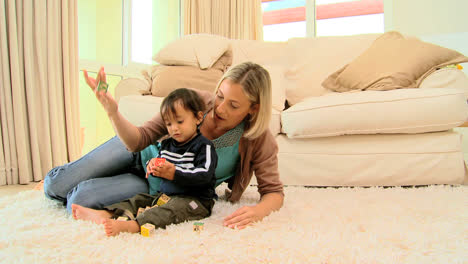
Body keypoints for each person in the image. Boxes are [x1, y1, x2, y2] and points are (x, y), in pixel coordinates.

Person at [44, 61, 284, 230]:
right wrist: (113, 112)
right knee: (57, 185)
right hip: (136, 152)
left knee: (80, 199)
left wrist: (259, 211)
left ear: (253, 108)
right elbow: (139, 139)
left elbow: (273, 191)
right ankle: (65, 179)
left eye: (233, 105)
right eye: (220, 96)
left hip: (154, 185)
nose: (220, 109)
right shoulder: (194, 101)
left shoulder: (258, 139)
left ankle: (97, 184)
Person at [72, 88, 218, 236]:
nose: (174, 128)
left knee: (169, 211)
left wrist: (174, 173)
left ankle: (134, 225)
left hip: (196, 201)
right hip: (166, 196)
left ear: (198, 118)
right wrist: (152, 165)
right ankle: (108, 213)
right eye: (168, 124)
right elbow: (158, 163)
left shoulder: (204, 146)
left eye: (180, 121)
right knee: (139, 200)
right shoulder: (167, 144)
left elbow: (205, 175)